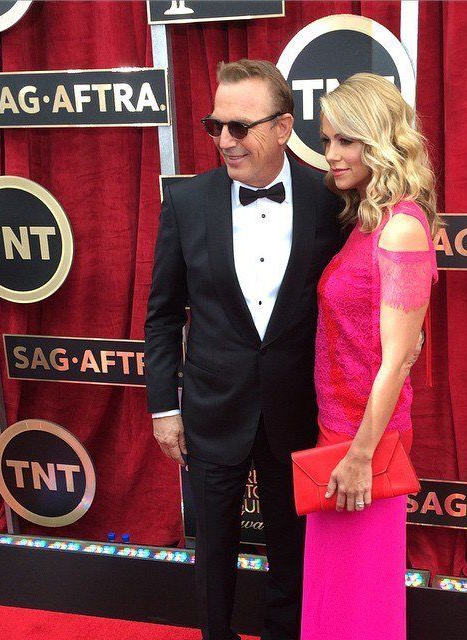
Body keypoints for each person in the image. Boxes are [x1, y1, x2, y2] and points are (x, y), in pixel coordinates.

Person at [144, 59, 343, 640]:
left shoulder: (329, 200)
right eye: (216, 126)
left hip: (297, 409)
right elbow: (162, 315)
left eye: (239, 127)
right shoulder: (187, 202)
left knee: (294, 549)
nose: (225, 141)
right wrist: (164, 408)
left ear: (283, 128)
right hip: (211, 410)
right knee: (212, 554)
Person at [300, 73, 441, 640]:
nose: (331, 154)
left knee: (361, 593)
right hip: (338, 430)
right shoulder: (367, 220)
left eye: (346, 140)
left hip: (367, 441)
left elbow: (399, 360)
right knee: (337, 586)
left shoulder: (401, 227)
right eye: (327, 140)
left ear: (380, 140)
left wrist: (361, 455)